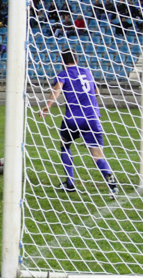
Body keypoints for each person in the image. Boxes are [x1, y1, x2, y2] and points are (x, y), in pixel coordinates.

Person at [38, 50, 118, 199]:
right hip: (92, 118)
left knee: (65, 145)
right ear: (77, 59)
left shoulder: (63, 74)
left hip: (73, 119)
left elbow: (57, 90)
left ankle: (70, 183)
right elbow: (96, 92)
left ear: (62, 61)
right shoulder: (87, 72)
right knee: (97, 155)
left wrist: (48, 106)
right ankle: (110, 180)